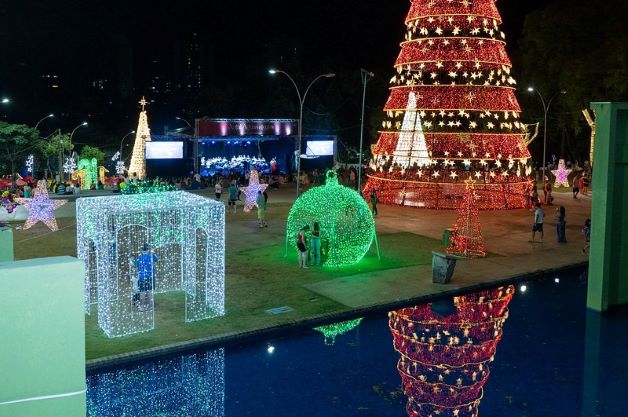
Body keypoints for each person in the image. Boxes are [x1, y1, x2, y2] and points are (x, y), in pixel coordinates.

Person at [132, 243, 158, 310]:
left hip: (142, 277)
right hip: (151, 277)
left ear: (141, 250)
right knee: (149, 291)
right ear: (148, 249)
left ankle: (142, 306)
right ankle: (150, 306)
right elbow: (156, 259)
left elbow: (134, 263)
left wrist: (131, 259)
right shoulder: (152, 256)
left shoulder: (140, 258)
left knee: (142, 292)